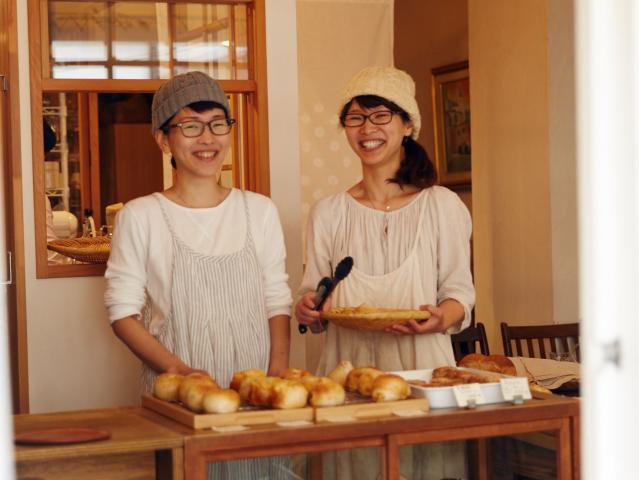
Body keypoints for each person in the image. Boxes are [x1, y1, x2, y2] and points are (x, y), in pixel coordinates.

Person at [104, 71, 292, 478]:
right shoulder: (142, 216)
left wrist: (277, 375)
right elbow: (122, 314)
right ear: (163, 138)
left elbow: (277, 298)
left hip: (254, 397)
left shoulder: (259, 210)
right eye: (190, 126)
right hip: (178, 402)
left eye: (217, 124)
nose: (207, 139)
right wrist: (179, 371)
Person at [295, 66, 475, 479]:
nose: (366, 129)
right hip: (346, 373)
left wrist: (440, 317)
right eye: (355, 117)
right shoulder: (328, 213)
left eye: (380, 116)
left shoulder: (441, 206)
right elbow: (313, 297)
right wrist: (308, 308)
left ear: (406, 124)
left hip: (423, 372)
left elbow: (459, 293)